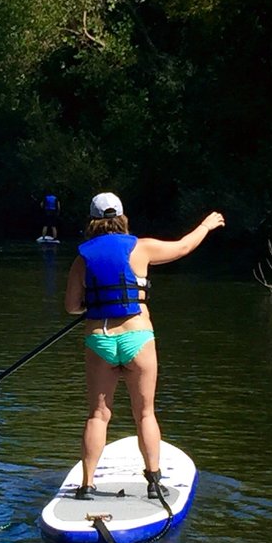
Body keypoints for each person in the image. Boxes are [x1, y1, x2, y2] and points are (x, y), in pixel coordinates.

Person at [64, 193, 224, 500]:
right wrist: (205, 225)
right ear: (122, 217)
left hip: (100, 340)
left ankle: (86, 485)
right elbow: (183, 247)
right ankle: (153, 481)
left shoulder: (81, 258)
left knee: (98, 415)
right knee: (145, 414)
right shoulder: (142, 246)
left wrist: (94, 302)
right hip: (137, 338)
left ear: (92, 221)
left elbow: (72, 307)